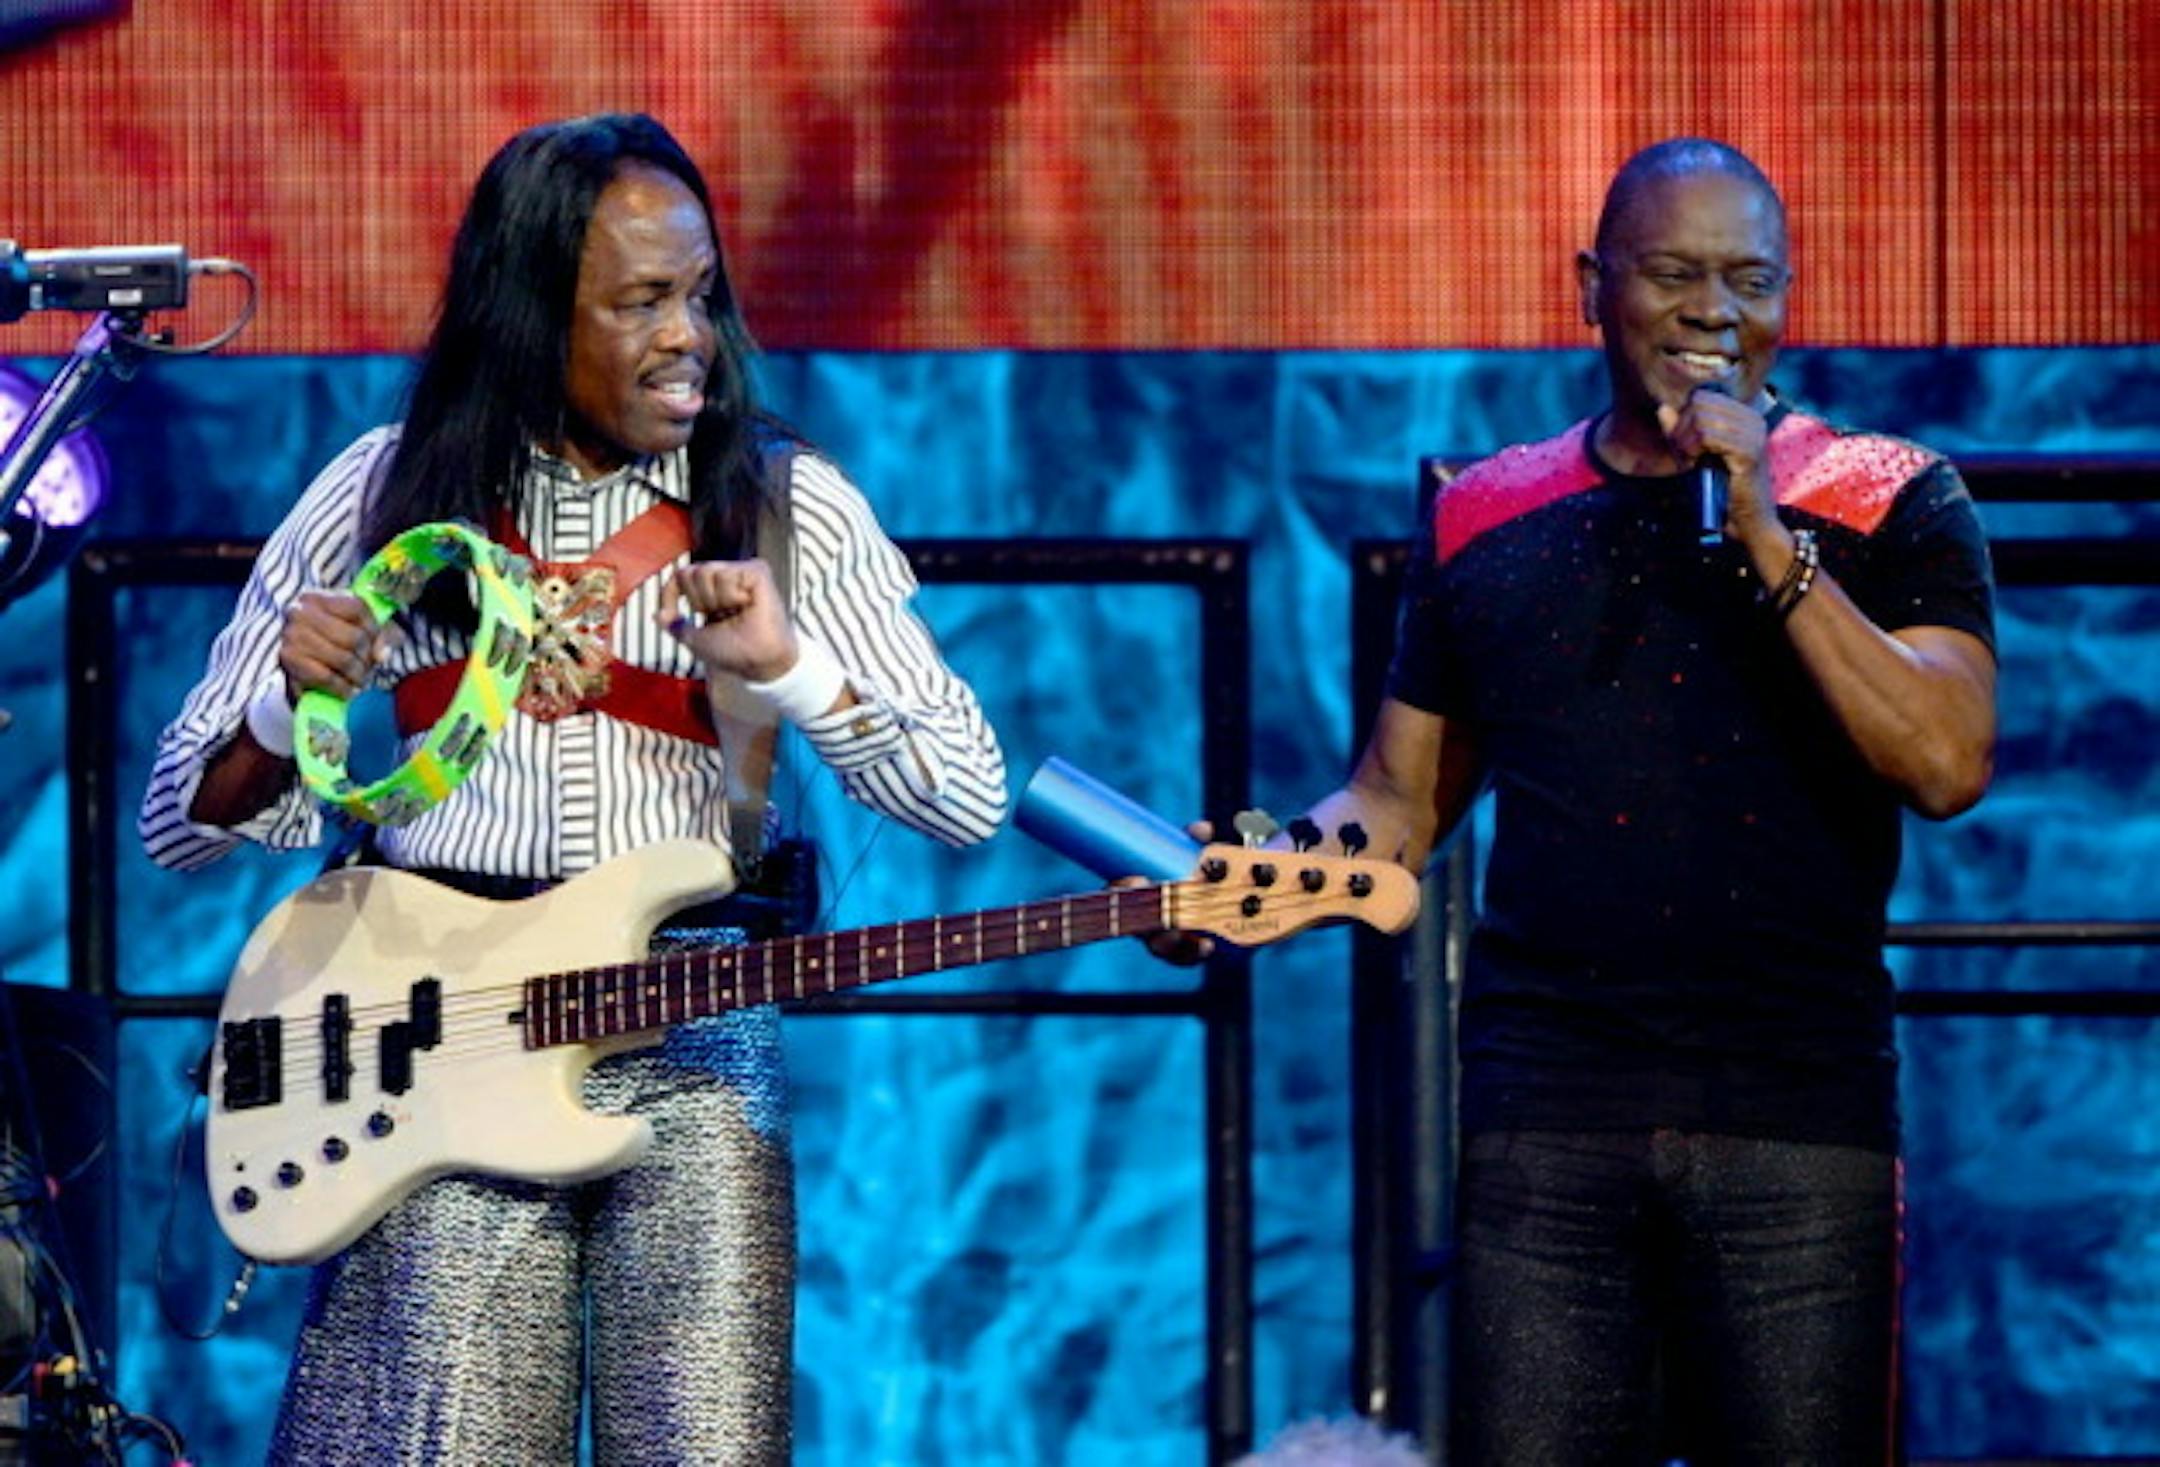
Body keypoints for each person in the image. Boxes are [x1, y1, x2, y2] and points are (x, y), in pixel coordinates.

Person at [139, 113, 1007, 1464]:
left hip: (694, 1036)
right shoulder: (380, 497)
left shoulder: (786, 506)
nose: (688, 337)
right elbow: (176, 829)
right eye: (641, 302)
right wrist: (282, 703)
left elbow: (965, 794)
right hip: (441, 1040)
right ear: (533, 313)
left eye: (700, 295)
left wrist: (794, 670)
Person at [1178, 139, 1997, 1460]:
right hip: (1549, 1118)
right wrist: (1245, 885)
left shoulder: (1889, 495)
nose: (1713, 312)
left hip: (1796, 1110)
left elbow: (1947, 761)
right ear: (1592, 288)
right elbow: (1396, 805)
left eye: (1750, 280)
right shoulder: (1486, 513)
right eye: (1673, 274)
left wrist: (1769, 537)